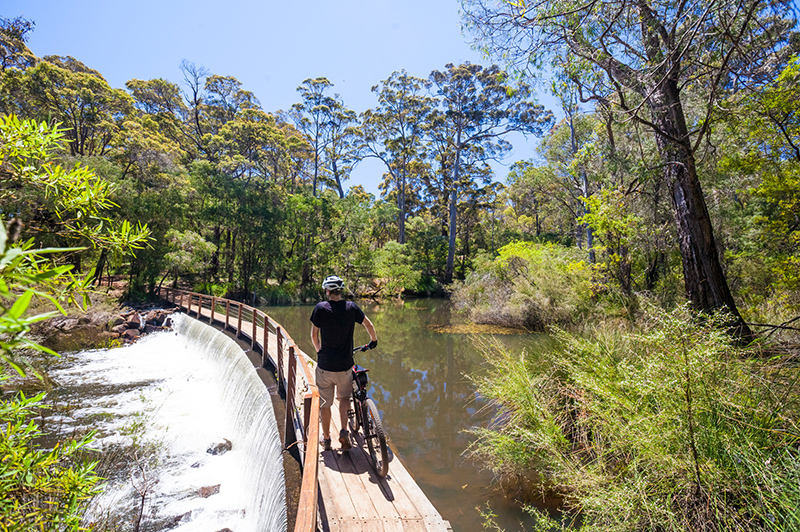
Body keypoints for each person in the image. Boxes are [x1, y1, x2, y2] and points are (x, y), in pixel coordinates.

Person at [310, 275, 378, 451]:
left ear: (327, 291)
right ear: (340, 291)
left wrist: (319, 352)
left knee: (325, 403)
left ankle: (326, 440)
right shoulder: (351, 308)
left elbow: (314, 335)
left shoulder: (320, 308)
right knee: (344, 399)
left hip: (325, 366)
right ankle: (343, 430)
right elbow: (368, 324)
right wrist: (373, 340)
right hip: (344, 366)